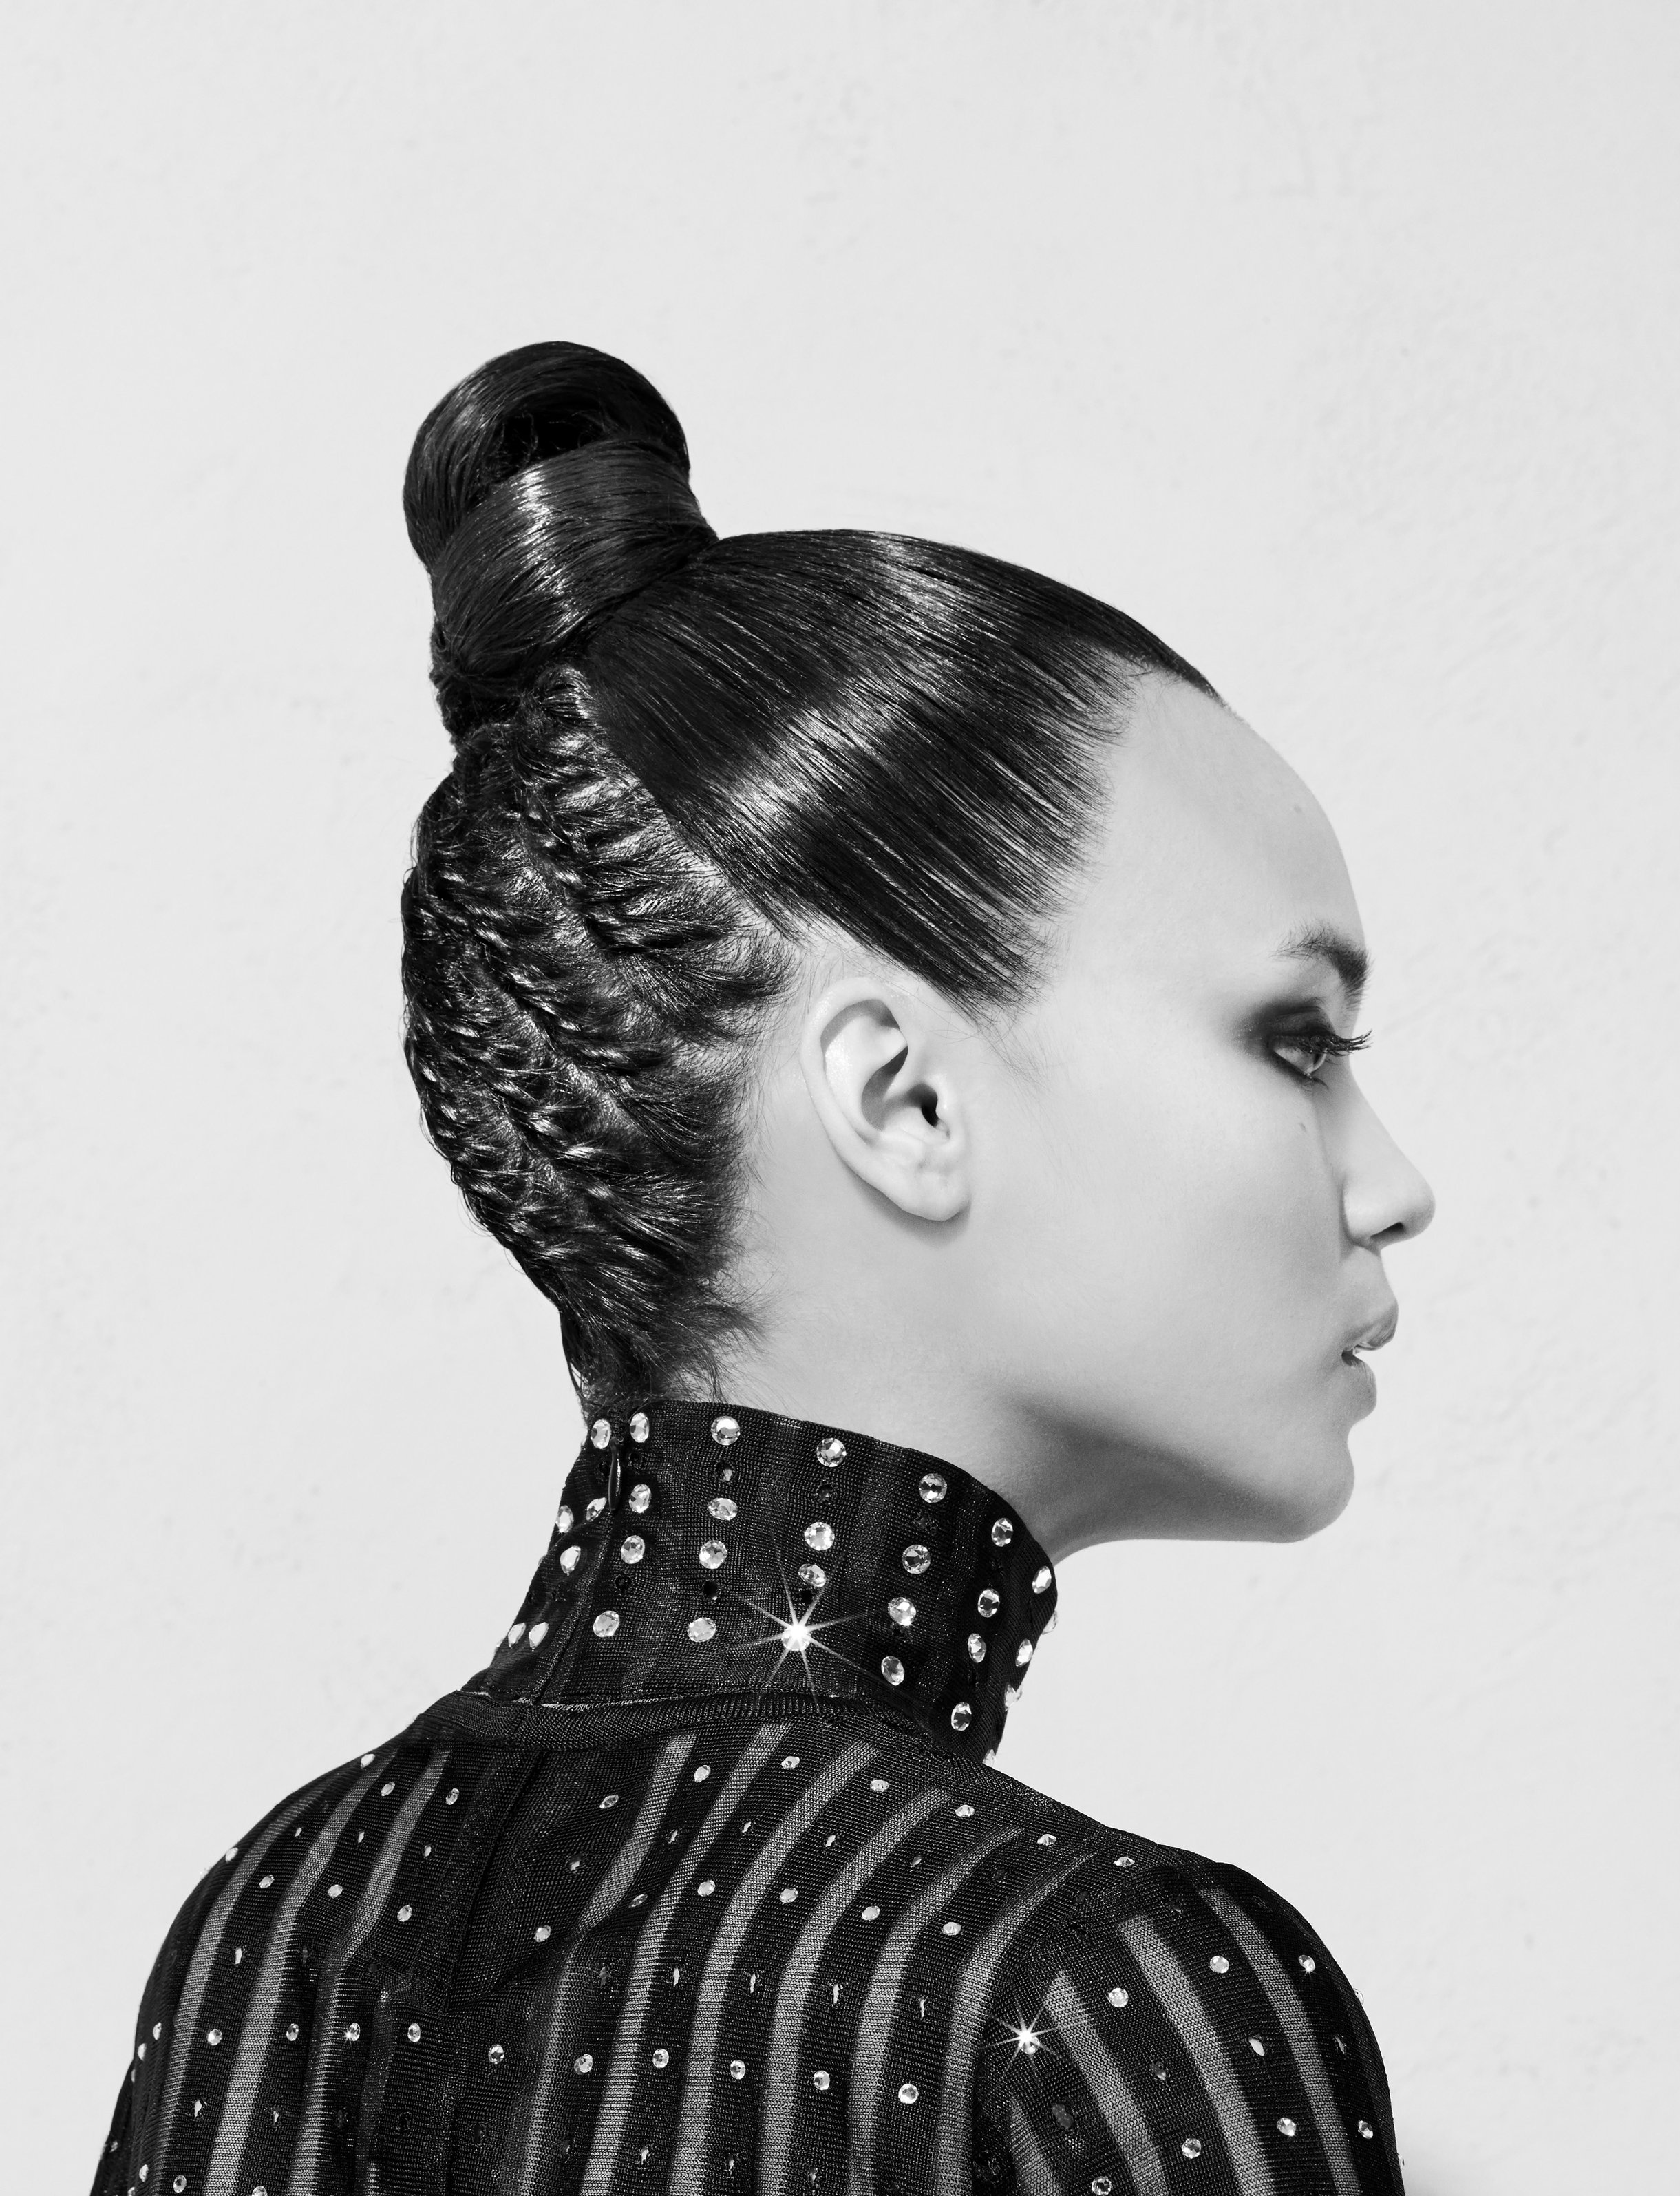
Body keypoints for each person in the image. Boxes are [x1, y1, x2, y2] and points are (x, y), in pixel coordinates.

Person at [93, 342, 1434, 2196]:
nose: (1391, 1184)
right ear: (900, 1097)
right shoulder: (1094, 1987)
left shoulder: (277, 1922)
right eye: (1297, 1038)